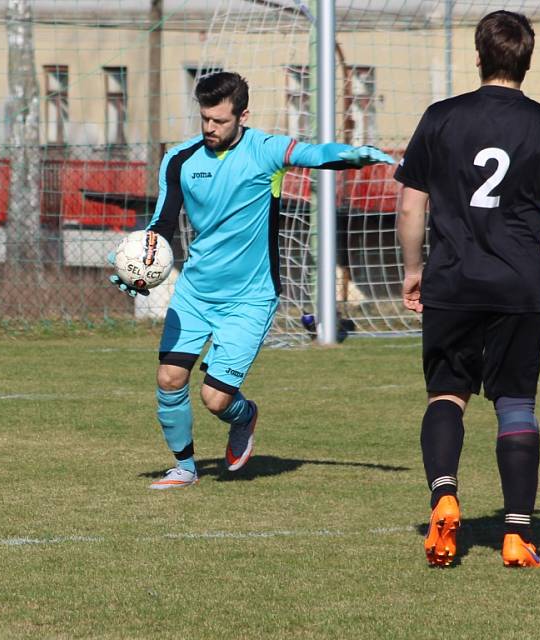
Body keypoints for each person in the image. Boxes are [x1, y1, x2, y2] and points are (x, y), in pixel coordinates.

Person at [110, 71, 394, 489]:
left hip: (250, 297)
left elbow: (317, 155)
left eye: (220, 120)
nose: (210, 128)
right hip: (195, 293)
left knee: (215, 399)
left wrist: (358, 155)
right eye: (205, 118)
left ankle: (245, 416)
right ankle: (185, 468)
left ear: (243, 115)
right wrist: (139, 267)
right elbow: (163, 222)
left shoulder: (266, 150)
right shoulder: (180, 159)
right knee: (170, 378)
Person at [394, 10, 540, 567]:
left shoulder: (440, 118)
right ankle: (517, 534)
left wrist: (414, 269)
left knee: (446, 395)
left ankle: (445, 496)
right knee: (516, 402)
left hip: (452, 281)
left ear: (478, 57)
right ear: (527, 62)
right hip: (518, 286)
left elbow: (411, 205)